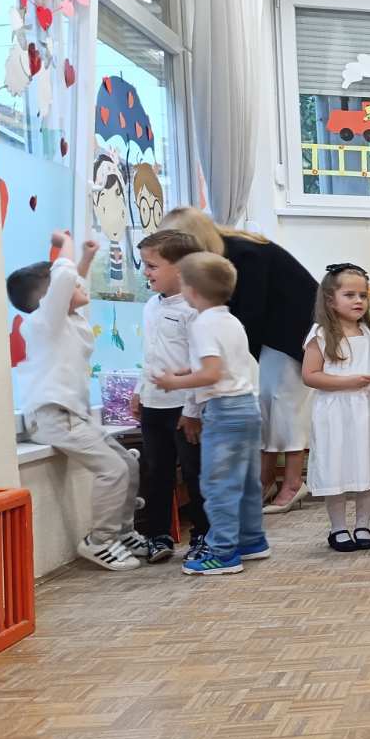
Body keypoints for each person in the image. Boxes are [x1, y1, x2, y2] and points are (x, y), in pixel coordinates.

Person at [160, 207, 318, 514]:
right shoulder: (226, 252)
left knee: (285, 406)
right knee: (268, 407)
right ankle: (265, 481)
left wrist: (220, 362)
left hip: (293, 330)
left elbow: (248, 315)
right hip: (273, 331)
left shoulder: (243, 254)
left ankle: (292, 483)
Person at [8, 232, 145, 571]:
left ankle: (123, 531)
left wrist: (85, 259)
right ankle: (100, 540)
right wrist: (64, 242)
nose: (80, 284)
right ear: (52, 295)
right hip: (54, 418)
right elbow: (66, 277)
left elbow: (71, 280)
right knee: (112, 470)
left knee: (127, 464)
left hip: (74, 417)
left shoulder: (68, 320)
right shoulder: (44, 323)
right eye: (69, 284)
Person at [152, 253, 267, 575]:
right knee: (246, 481)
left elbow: (212, 373)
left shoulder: (202, 323)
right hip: (246, 406)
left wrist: (174, 382)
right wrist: (188, 372)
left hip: (224, 409)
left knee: (219, 485)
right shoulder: (230, 320)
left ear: (192, 290)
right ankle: (252, 541)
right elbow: (224, 365)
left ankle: (223, 553)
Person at [301, 264, 370, 553]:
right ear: (330, 299)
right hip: (335, 412)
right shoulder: (321, 333)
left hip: (366, 411)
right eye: (350, 295)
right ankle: (338, 528)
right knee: (336, 468)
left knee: (364, 468)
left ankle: (363, 525)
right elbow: (310, 375)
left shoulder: (368, 332)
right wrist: (349, 381)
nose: (359, 301)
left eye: (363, 295)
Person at [134, 229, 209, 564]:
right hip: (154, 404)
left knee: (195, 472)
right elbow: (150, 354)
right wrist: (139, 390)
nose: (146, 272)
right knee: (156, 471)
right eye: (144, 265)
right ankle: (158, 534)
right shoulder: (151, 305)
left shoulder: (195, 310)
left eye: (152, 266)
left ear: (180, 269)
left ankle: (204, 534)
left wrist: (192, 410)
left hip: (184, 408)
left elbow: (198, 363)